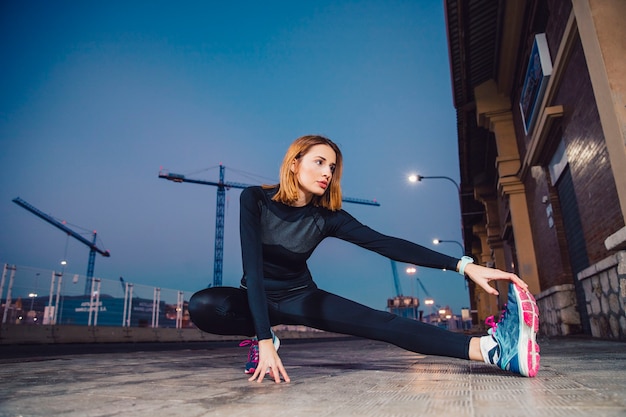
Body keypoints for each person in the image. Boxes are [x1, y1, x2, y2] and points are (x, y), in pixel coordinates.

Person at [188, 135, 540, 384]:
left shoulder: (327, 218)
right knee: (204, 304)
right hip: (256, 297)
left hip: (300, 297)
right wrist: (265, 339)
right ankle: (261, 335)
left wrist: (464, 265)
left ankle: (491, 350)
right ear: (294, 164)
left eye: (333, 167)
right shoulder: (255, 200)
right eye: (319, 162)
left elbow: (386, 244)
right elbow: (252, 264)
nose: (327, 172)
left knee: (381, 322)